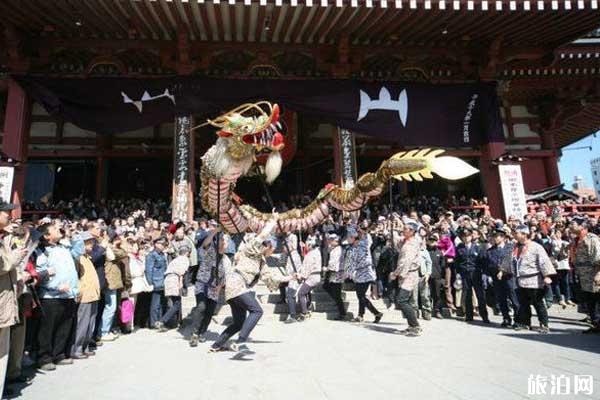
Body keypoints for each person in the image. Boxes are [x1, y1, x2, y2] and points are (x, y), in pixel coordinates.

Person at [210, 216, 290, 353]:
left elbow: (270, 278)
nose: (272, 252)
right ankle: (241, 342)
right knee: (257, 311)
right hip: (237, 283)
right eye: (272, 249)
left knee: (238, 323)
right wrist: (273, 220)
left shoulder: (262, 262)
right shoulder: (251, 249)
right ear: (267, 246)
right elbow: (263, 234)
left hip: (237, 287)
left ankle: (216, 345)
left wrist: (291, 277)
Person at [35, 222, 80, 371]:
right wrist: (54, 286)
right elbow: (40, 272)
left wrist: (73, 234)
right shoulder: (42, 251)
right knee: (47, 328)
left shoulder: (64, 247)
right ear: (47, 236)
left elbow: (78, 251)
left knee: (64, 325)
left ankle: (59, 354)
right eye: (54, 229)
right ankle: (44, 357)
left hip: (68, 294)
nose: (59, 229)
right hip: (51, 296)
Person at [0, 200, 29, 394]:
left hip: (6, 298)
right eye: (5, 213)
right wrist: (16, 256)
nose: (10, 216)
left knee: (4, 350)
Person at [505, 225, 556, 333]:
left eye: (517, 233)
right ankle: (525, 323)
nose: (515, 235)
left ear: (524, 234)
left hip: (534, 280)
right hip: (519, 280)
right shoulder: (514, 247)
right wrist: (502, 270)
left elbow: (543, 261)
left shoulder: (536, 247)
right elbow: (508, 261)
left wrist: (546, 276)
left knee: (538, 303)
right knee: (523, 303)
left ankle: (544, 324)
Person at [189, 234, 230, 347]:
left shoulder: (226, 260)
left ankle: (202, 332)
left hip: (214, 288)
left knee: (210, 312)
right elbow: (205, 243)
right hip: (202, 284)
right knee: (201, 307)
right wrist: (215, 231)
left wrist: (220, 287)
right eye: (221, 239)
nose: (223, 242)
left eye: (225, 241)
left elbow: (225, 276)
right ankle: (195, 333)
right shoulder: (211, 250)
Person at [71, 231, 100, 359]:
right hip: (85, 295)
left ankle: (85, 346)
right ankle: (77, 348)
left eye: (91, 241)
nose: (91, 244)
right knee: (82, 323)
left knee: (90, 324)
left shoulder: (88, 258)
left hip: (93, 295)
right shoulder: (78, 258)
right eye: (88, 242)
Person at [390, 220, 422, 336]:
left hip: (409, 273)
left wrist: (395, 274)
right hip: (407, 274)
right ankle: (411, 325)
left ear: (412, 231)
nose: (403, 230)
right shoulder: (406, 241)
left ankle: (415, 326)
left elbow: (405, 262)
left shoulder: (411, 244)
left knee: (402, 300)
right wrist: (392, 227)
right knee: (405, 300)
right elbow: (397, 242)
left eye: (406, 229)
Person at [345, 226, 383, 323]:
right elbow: (350, 263)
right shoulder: (351, 248)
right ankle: (366, 314)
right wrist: (348, 273)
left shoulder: (364, 244)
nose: (348, 239)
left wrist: (361, 231)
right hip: (357, 274)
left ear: (353, 237)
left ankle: (370, 314)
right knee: (361, 296)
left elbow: (366, 237)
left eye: (349, 237)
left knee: (361, 296)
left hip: (366, 273)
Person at [569, 216, 600, 334]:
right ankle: (596, 324)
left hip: (593, 275)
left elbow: (598, 258)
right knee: (589, 301)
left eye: (573, 224)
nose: (570, 226)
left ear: (582, 226)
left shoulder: (591, 239)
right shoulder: (576, 240)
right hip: (583, 276)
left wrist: (598, 274)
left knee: (596, 300)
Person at [485, 225, 518, 327]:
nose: (496, 238)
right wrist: (491, 275)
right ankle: (506, 318)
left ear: (503, 237)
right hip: (497, 278)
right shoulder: (490, 251)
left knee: (514, 298)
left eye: (498, 236)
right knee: (501, 299)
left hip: (509, 277)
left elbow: (511, 262)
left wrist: (502, 271)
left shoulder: (511, 247)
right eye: (494, 236)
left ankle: (518, 319)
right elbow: (490, 265)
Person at [455, 227, 489, 323]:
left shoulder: (478, 247)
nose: (466, 238)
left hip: (476, 273)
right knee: (467, 295)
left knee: (480, 295)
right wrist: (458, 274)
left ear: (471, 236)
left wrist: (484, 274)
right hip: (465, 273)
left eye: (468, 236)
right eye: (464, 236)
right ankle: (469, 315)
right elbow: (457, 262)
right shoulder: (459, 248)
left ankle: (484, 316)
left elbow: (483, 261)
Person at [156, 246, 190, 332]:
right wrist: (183, 286)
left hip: (167, 279)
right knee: (177, 303)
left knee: (174, 301)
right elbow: (183, 273)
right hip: (175, 278)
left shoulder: (175, 260)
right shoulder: (185, 259)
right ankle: (163, 320)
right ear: (187, 253)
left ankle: (177, 322)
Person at [296, 236, 322, 319]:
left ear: (310, 245)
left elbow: (307, 268)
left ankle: (305, 312)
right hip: (316, 276)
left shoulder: (310, 255)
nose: (306, 246)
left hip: (312, 276)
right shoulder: (317, 252)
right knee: (306, 292)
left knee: (301, 293)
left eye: (307, 245)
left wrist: (301, 276)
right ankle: (308, 307)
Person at [323, 234, 347, 320]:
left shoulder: (338, 250)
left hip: (337, 273)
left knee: (337, 294)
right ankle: (338, 305)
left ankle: (342, 313)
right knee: (326, 286)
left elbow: (334, 263)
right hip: (334, 273)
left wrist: (327, 268)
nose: (330, 241)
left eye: (331, 240)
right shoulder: (334, 249)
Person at [145, 237, 168, 328]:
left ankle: (160, 321)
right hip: (156, 281)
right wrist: (150, 283)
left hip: (163, 281)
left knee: (162, 303)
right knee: (155, 304)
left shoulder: (162, 254)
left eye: (164, 244)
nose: (163, 246)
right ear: (156, 244)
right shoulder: (151, 255)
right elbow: (149, 270)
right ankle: (153, 322)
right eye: (161, 244)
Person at [427, 235, 446, 319]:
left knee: (437, 295)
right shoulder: (425, 251)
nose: (432, 242)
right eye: (430, 241)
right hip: (427, 276)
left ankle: (437, 310)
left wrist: (442, 278)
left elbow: (443, 266)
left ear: (437, 242)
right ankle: (427, 311)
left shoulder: (440, 252)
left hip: (437, 276)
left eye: (434, 241)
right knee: (427, 295)